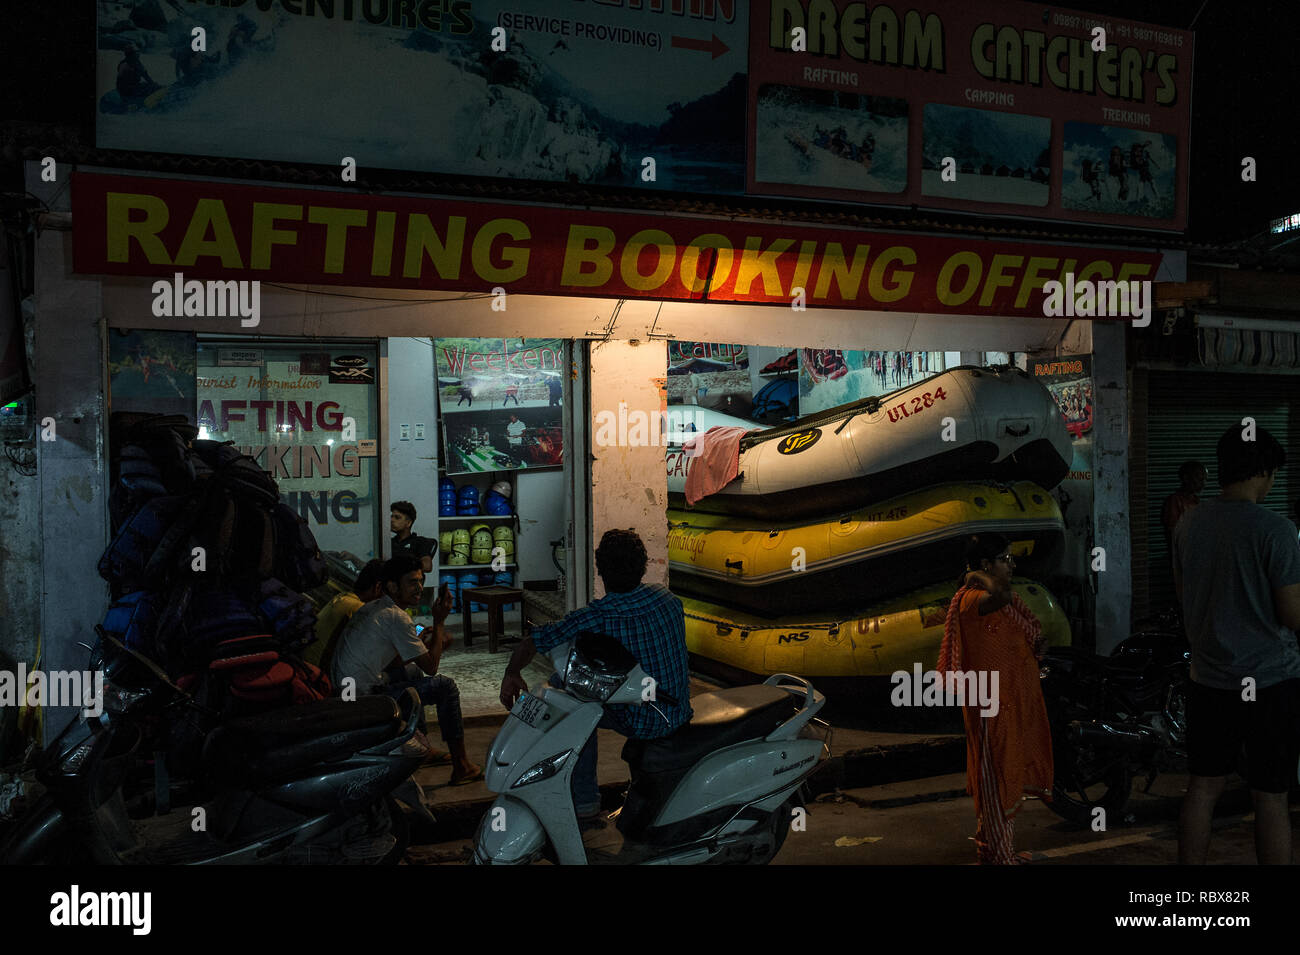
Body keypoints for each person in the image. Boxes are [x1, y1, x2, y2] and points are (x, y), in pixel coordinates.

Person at [498, 529, 692, 822]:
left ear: (600, 570)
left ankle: (585, 800)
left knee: (569, 701)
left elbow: (534, 641)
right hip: (676, 708)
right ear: (643, 566)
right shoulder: (666, 599)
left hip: (642, 718)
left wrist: (512, 672)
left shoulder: (597, 615)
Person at [1172, 425, 1300, 865]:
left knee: (1203, 787)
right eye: (1271, 475)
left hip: (1208, 680)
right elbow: (1292, 615)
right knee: (1270, 796)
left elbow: (1184, 595)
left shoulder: (1189, 524)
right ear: (1261, 471)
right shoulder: (1277, 530)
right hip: (1270, 682)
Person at [937, 533, 1053, 865]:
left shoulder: (1002, 601)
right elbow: (1000, 594)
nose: (1012, 565)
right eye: (1005, 559)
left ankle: (993, 850)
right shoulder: (972, 599)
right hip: (991, 708)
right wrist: (975, 575)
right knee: (998, 778)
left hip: (1013, 705)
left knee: (1008, 774)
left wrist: (1036, 647)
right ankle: (1001, 857)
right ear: (987, 566)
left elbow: (1020, 632)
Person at [332, 556, 482, 784]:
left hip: (348, 691)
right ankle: (462, 767)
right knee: (445, 687)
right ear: (392, 586)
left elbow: (393, 662)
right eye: (412, 582)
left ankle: (422, 749)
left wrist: (426, 643)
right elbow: (431, 667)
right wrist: (440, 622)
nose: (419, 588)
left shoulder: (375, 607)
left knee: (411, 672)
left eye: (421, 581)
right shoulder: (396, 616)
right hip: (362, 699)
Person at [303, 558, 384, 670]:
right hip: (322, 679)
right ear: (378, 587)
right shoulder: (359, 610)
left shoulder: (344, 597)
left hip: (308, 669)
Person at [1161, 460, 1207, 552]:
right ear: (1186, 478)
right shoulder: (1174, 501)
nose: (1203, 483)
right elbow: (1173, 535)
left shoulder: (1197, 502)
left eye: (1204, 479)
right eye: (1199, 478)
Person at [390, 500, 435, 574]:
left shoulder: (420, 542)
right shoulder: (388, 542)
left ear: (408, 523)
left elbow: (427, 566)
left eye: (397, 517)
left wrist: (401, 565)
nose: (391, 520)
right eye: (391, 517)